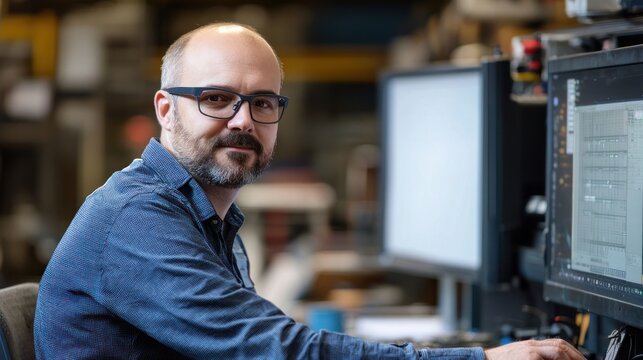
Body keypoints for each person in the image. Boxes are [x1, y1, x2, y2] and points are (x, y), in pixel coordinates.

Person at [34, 22, 585, 360]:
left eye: (263, 103)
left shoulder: (205, 216)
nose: (242, 120)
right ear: (164, 108)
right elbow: (277, 351)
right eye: (217, 98)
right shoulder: (136, 216)